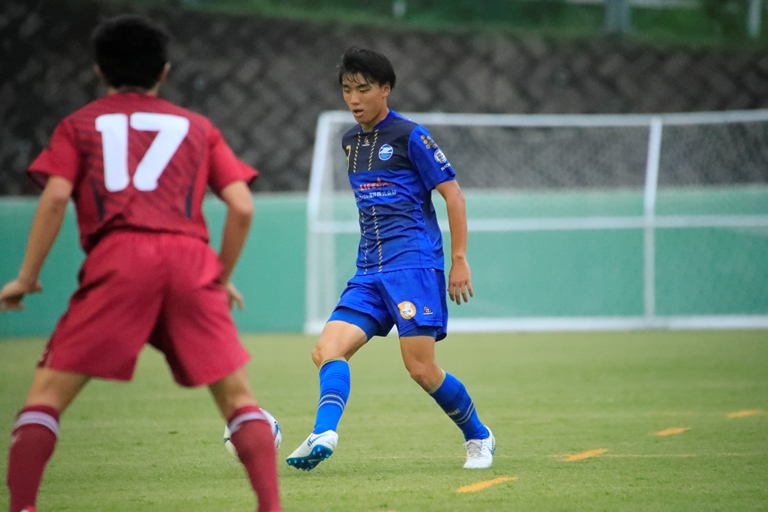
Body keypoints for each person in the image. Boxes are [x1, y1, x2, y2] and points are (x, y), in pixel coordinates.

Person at [0, 15, 281, 512]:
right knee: (238, 399)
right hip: (190, 258)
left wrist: (26, 277)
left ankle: (22, 505)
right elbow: (241, 206)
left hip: (120, 256)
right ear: (164, 71)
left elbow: (56, 197)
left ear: (98, 70)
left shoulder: (79, 125)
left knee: (45, 397)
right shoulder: (199, 127)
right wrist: (220, 276)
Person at [286, 46, 494, 472]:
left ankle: (479, 436)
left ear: (386, 89)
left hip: (413, 266)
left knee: (421, 368)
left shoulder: (411, 136)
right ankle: (324, 432)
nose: (354, 99)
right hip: (368, 271)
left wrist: (459, 259)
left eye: (363, 89)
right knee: (327, 350)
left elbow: (453, 195)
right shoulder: (349, 142)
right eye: (347, 90)